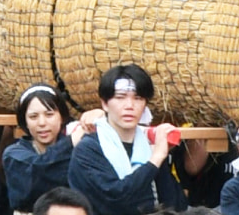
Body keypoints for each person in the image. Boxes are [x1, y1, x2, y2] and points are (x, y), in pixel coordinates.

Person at [67, 64, 187, 215]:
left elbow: (175, 203)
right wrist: (155, 159)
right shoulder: (88, 149)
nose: (129, 105)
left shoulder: (146, 145)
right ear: (104, 103)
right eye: (120, 97)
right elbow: (117, 197)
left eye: (138, 98)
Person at [2, 85, 82, 213]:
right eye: (33, 117)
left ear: (61, 116)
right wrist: (70, 142)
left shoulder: (80, 149)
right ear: (25, 121)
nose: (42, 123)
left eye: (49, 114)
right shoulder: (14, 154)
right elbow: (39, 170)